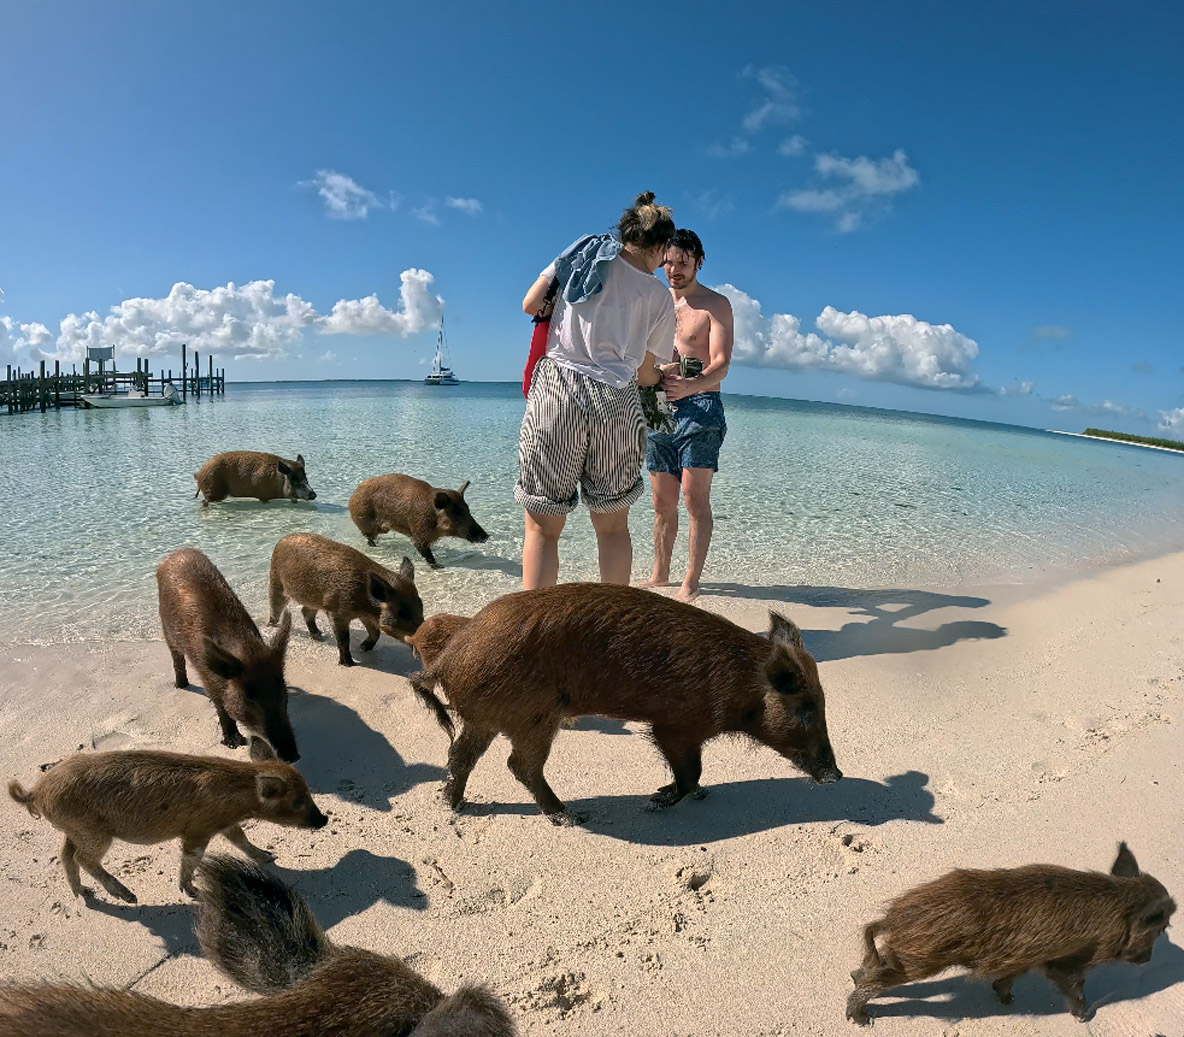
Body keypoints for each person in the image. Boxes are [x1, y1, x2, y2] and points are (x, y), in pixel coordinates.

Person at [514, 192, 676, 589]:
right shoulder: (658, 296)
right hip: (617, 402)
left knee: (542, 529)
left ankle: (533, 636)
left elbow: (530, 303)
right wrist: (665, 377)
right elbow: (643, 374)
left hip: (559, 391)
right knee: (612, 529)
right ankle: (611, 636)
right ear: (657, 248)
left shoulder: (584, 255)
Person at [641, 229, 734, 602]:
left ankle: (691, 581)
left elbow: (722, 364)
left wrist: (692, 386)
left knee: (694, 498)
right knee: (661, 501)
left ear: (698, 262)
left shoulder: (715, 304)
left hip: (702, 408)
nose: (674, 270)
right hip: (659, 407)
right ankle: (660, 574)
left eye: (683, 263)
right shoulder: (658, 303)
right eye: (669, 262)